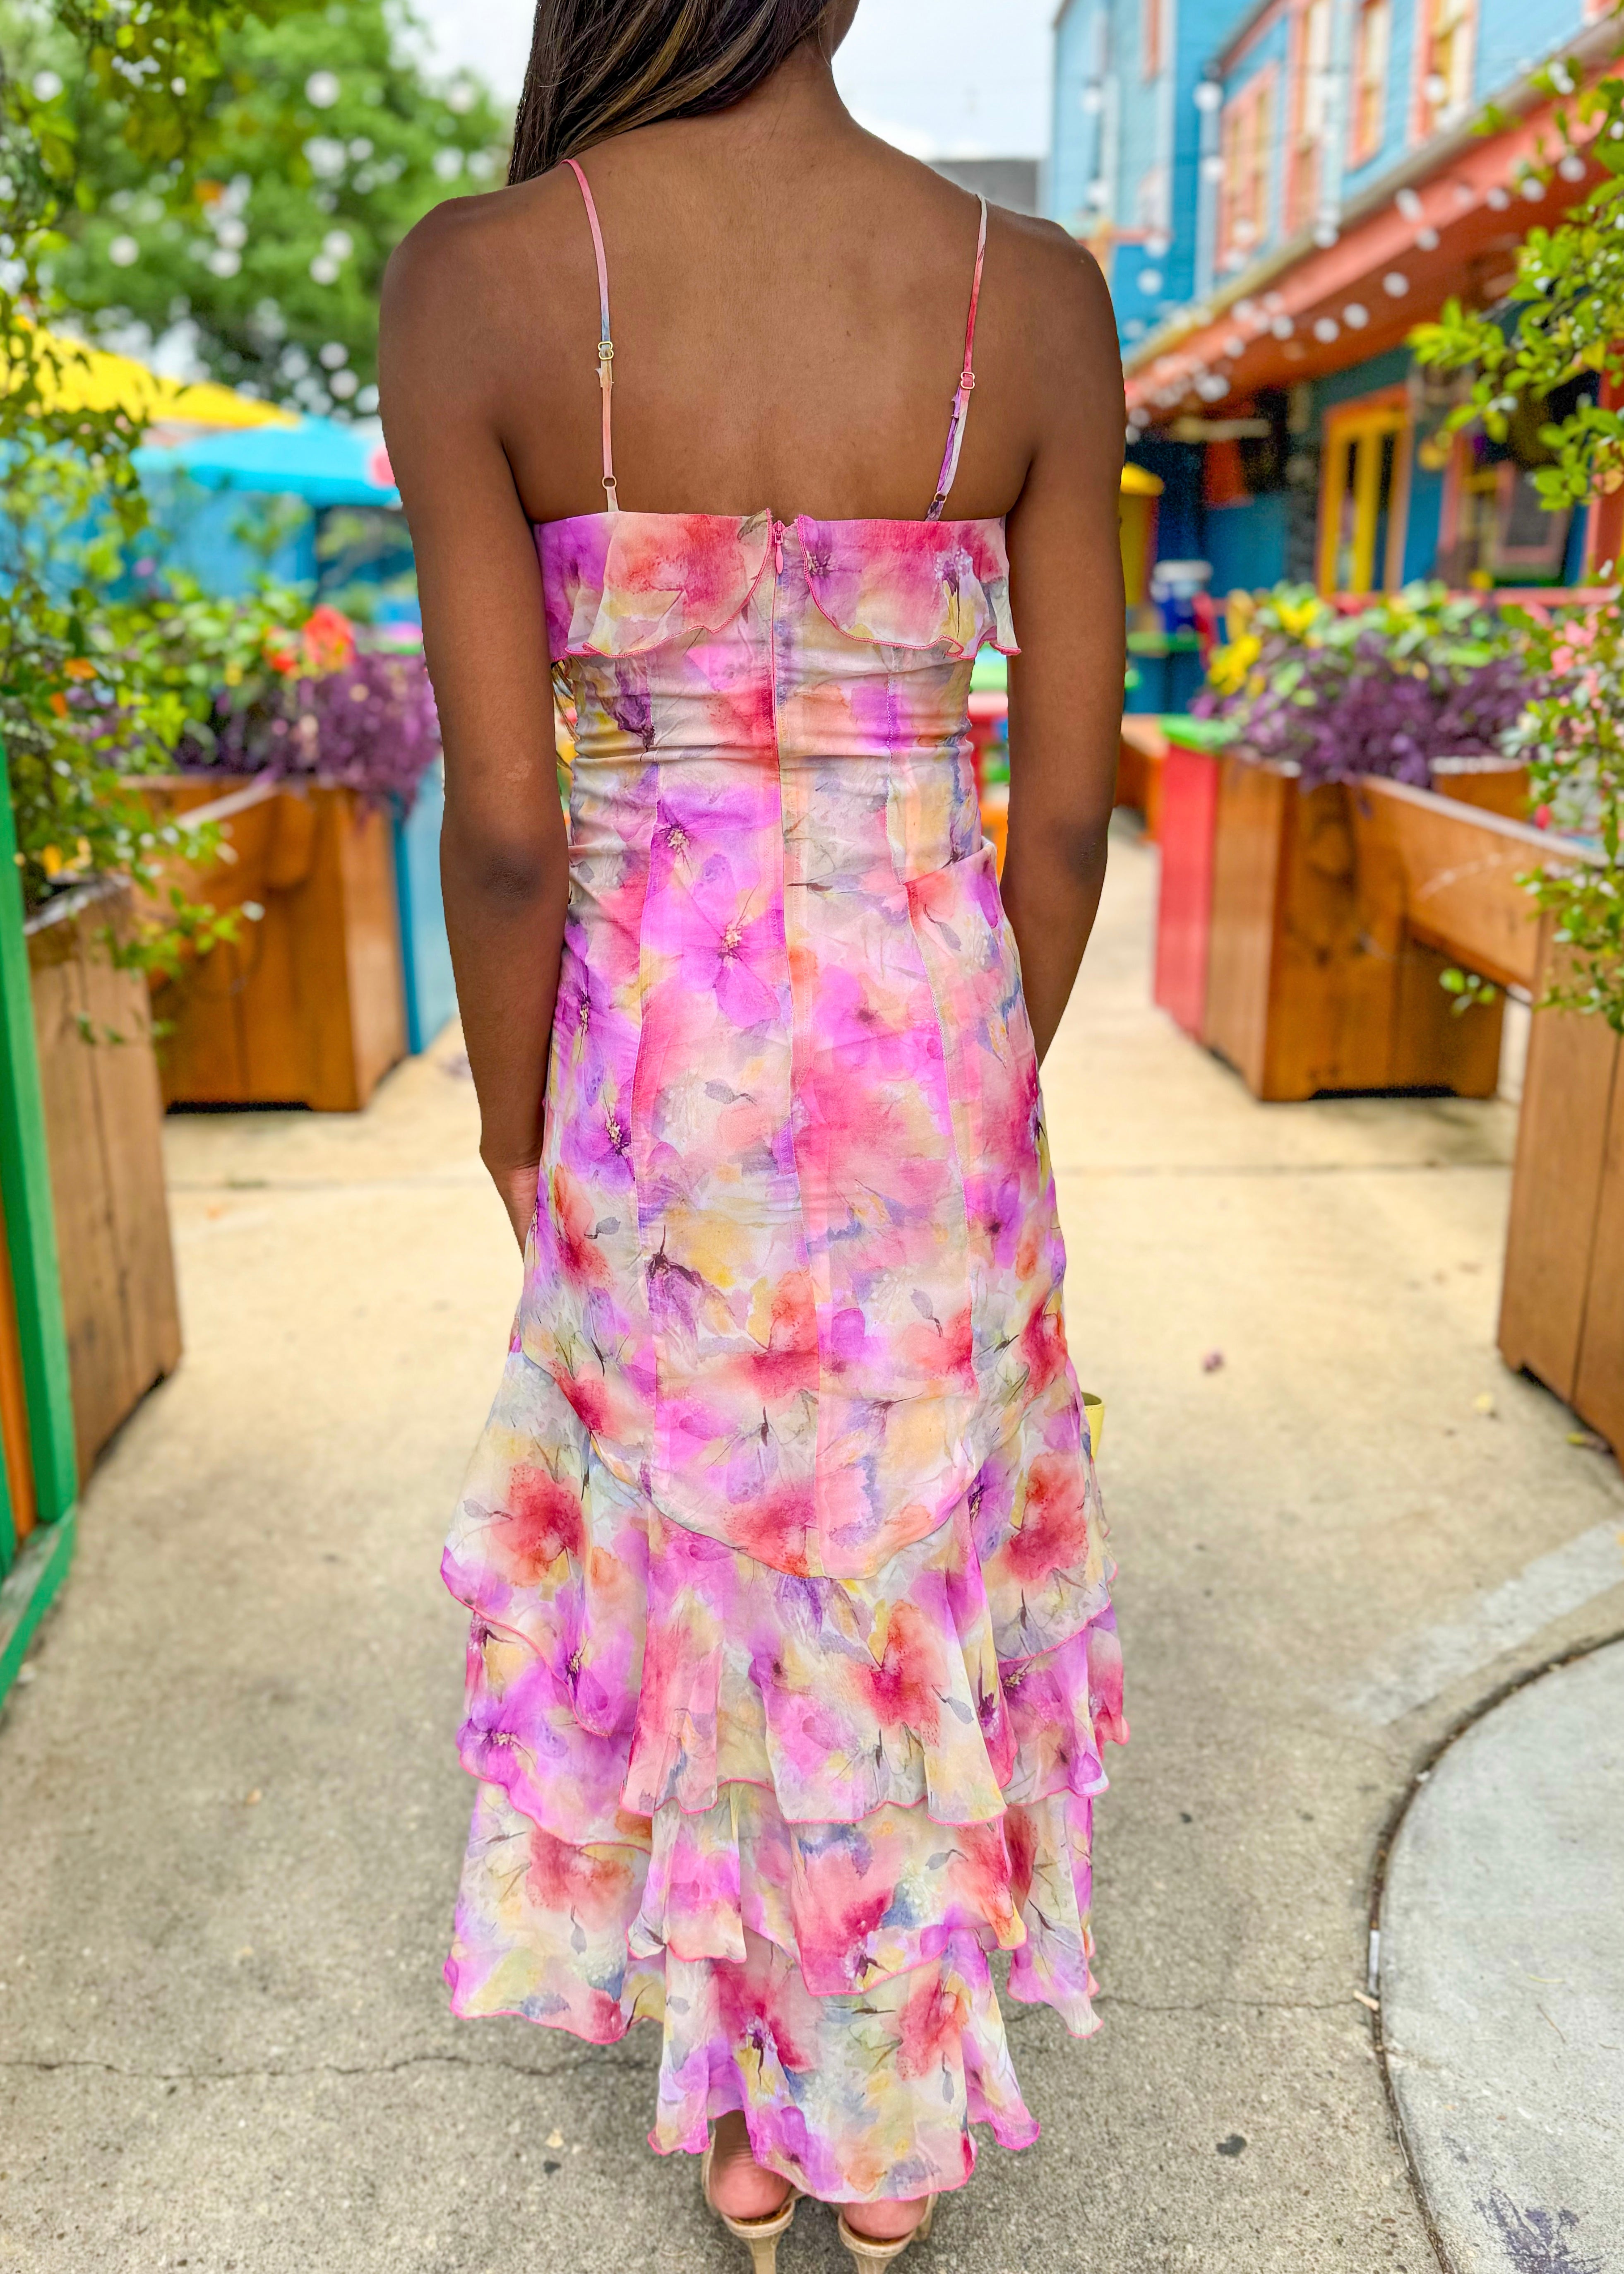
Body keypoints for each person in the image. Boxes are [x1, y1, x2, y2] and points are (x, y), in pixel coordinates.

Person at [380, 1, 1128, 2262]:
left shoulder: (480, 278)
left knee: (709, 1552)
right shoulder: (1035, 296)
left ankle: (759, 2093)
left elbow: (507, 829)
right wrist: (977, 1074)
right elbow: (1066, 812)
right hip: (932, 1041)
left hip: (652, 1052)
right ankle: (876, 2115)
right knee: (896, 1552)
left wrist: (517, 1124)